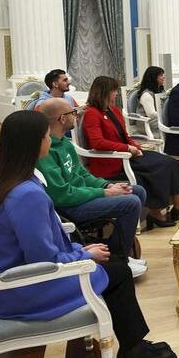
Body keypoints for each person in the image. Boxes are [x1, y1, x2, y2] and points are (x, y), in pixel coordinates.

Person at [0, 111, 175, 358]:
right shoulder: (27, 194)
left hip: (9, 283)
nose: (50, 140)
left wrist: (80, 252)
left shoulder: (6, 181)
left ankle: (134, 347)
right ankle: (134, 351)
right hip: (19, 290)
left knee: (114, 269)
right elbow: (44, 260)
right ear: (35, 143)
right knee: (119, 273)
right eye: (47, 136)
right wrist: (83, 255)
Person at [36, 99, 148, 277]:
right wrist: (104, 192)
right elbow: (62, 195)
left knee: (136, 190)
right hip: (69, 207)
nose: (76, 115)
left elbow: (82, 174)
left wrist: (106, 185)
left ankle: (117, 251)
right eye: (73, 112)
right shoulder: (45, 151)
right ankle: (119, 259)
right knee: (131, 203)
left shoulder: (65, 143)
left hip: (82, 196)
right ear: (62, 118)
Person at [81, 77, 179, 227]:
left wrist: (136, 147)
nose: (116, 94)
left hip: (127, 155)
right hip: (111, 161)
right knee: (154, 171)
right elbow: (97, 142)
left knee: (169, 162)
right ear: (104, 92)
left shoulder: (113, 110)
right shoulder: (92, 113)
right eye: (113, 91)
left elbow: (125, 135)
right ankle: (155, 213)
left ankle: (178, 205)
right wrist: (127, 148)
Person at [134, 66, 165, 138]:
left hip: (157, 119)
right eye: (161, 75)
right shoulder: (146, 94)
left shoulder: (160, 91)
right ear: (153, 77)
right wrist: (166, 115)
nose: (163, 77)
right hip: (147, 123)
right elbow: (151, 114)